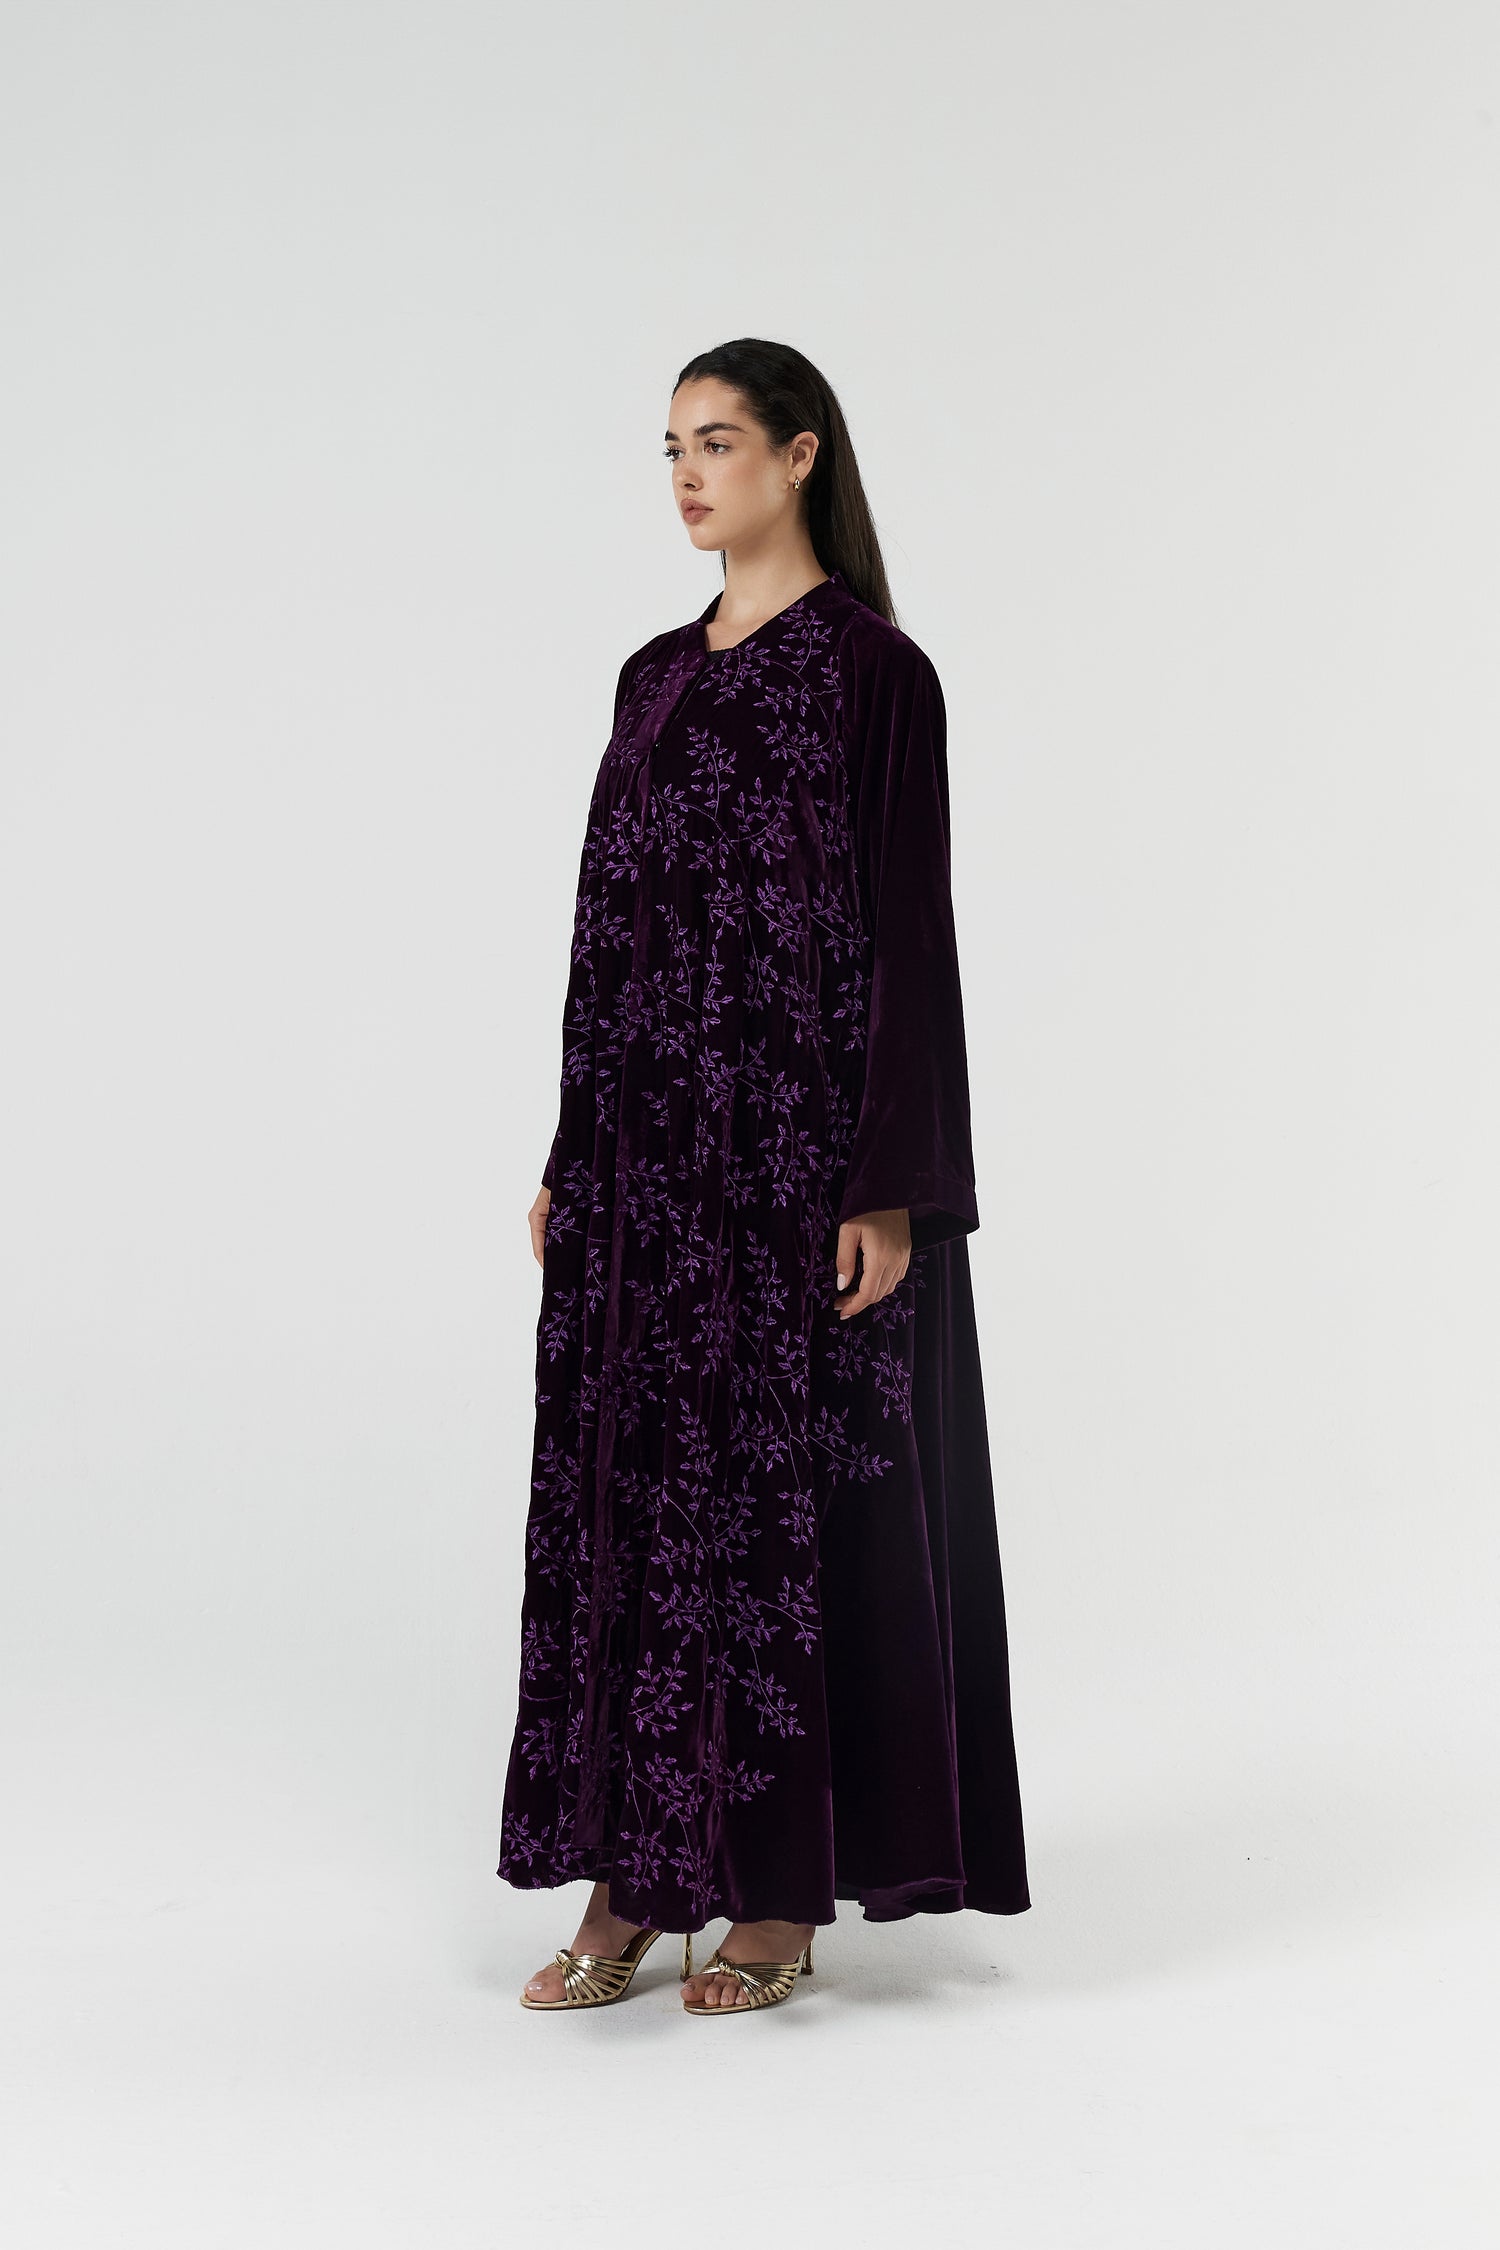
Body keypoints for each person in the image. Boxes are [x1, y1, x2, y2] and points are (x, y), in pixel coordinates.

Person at [498, 337, 1030, 2015]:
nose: (686, 474)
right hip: (649, 1164)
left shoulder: (880, 675)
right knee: (643, 1499)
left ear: (800, 457)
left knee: (787, 1507)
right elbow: (607, 931)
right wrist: (572, 1152)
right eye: (671, 447)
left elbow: (910, 938)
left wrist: (890, 1186)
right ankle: (634, 1871)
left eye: (717, 442)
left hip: (796, 1163)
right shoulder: (650, 677)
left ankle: (781, 1892)